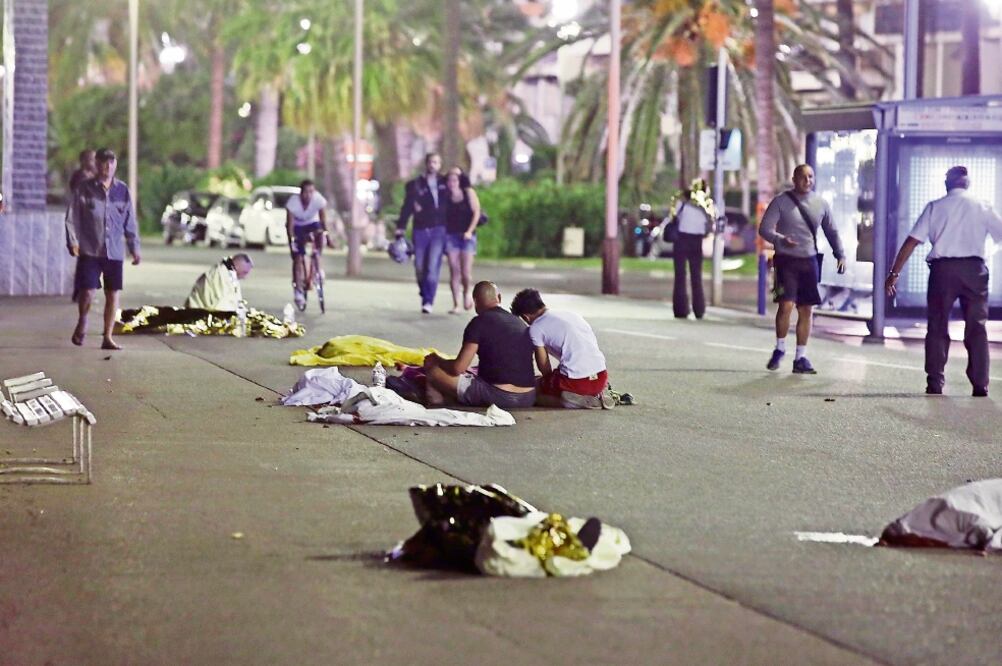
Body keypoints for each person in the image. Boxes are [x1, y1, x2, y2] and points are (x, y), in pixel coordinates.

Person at [886, 165, 1002, 397]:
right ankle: (981, 384)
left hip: (943, 271)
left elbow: (912, 241)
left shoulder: (935, 207)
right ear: (967, 183)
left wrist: (894, 273)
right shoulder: (983, 206)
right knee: (977, 327)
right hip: (974, 271)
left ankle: (935, 382)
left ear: (946, 184)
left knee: (937, 326)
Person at [758, 164, 846, 374]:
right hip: (786, 261)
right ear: (794, 179)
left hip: (809, 261)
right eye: (803, 177)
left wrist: (840, 254)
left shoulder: (821, 203)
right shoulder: (781, 201)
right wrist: (781, 239)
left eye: (811, 177)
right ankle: (780, 348)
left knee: (806, 309)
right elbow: (765, 229)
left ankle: (801, 357)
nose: (808, 180)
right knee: (786, 305)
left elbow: (831, 231)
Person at [65, 148, 141, 350]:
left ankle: (107, 337)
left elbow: (129, 221)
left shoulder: (122, 191)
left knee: (112, 294)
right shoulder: (84, 188)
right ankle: (82, 320)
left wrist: (134, 247)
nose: (107, 167)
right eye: (103, 163)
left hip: (114, 251)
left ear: (115, 165)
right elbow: (72, 217)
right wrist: (73, 241)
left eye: (111, 163)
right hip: (90, 249)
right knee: (87, 291)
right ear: (96, 164)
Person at [422, 281, 537, 409]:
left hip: (498, 396)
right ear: (499, 298)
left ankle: (436, 404)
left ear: (475, 302)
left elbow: (457, 368)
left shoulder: (478, 323)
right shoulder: (519, 323)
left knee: (433, 370)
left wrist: (437, 360)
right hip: (528, 397)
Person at [510, 288, 611, 409]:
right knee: (544, 379)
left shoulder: (536, 328)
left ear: (526, 317)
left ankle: (574, 402)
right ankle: (597, 394)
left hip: (577, 382)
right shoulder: (572, 315)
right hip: (601, 377)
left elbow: (544, 365)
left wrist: (546, 384)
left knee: (533, 393)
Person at [396, 152, 448, 314]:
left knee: (432, 266)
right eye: (431, 162)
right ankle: (424, 289)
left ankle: (428, 300)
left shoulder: (446, 183)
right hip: (420, 230)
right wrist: (401, 227)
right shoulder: (416, 184)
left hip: (439, 231)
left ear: (440, 165)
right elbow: (407, 207)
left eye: (436, 162)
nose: (433, 165)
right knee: (419, 266)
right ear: (426, 164)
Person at [285, 179, 329, 311]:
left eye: (311, 192)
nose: (308, 195)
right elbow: (290, 225)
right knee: (298, 258)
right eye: (306, 192)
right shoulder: (293, 203)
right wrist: (293, 241)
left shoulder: (318, 200)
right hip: (297, 227)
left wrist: (326, 235)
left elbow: (323, 220)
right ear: (301, 193)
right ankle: (298, 290)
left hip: (311, 224)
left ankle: (317, 266)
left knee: (320, 231)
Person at [444, 167, 481, 314]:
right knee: (454, 270)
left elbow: (476, 212)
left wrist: (469, 231)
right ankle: (456, 304)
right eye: (449, 180)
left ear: (459, 181)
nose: (451, 183)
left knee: (466, 272)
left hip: (467, 236)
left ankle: (467, 292)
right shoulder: (445, 196)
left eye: (454, 180)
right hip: (451, 236)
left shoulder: (468, 193)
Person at [671, 189, 711, 319]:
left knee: (680, 276)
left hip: (682, 240)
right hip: (697, 241)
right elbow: (707, 229)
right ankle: (699, 309)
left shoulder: (680, 206)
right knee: (696, 277)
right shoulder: (703, 209)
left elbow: (673, 218)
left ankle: (680, 309)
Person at [184, 254, 254, 311]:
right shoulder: (220, 275)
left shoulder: (230, 274)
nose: (245, 277)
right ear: (237, 266)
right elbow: (222, 307)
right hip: (197, 316)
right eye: (245, 272)